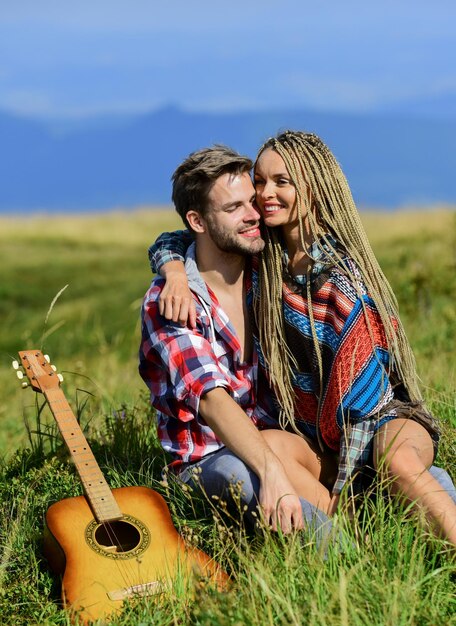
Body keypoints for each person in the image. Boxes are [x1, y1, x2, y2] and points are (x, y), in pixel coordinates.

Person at [149, 131, 456, 546]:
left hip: (365, 424)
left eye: (276, 184)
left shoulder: (303, 271)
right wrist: (172, 271)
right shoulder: (223, 278)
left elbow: (364, 395)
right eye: (256, 186)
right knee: (264, 458)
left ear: (310, 189)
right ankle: (360, 553)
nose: (259, 203)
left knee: (401, 464)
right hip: (268, 444)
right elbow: (182, 241)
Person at [139, 145, 332, 539]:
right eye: (233, 209)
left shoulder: (266, 268)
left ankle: (385, 538)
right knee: (249, 480)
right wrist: (270, 471)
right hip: (208, 457)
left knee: (391, 459)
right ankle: (349, 567)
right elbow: (211, 398)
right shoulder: (172, 301)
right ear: (198, 220)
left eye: (252, 201)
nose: (253, 215)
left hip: (281, 436)